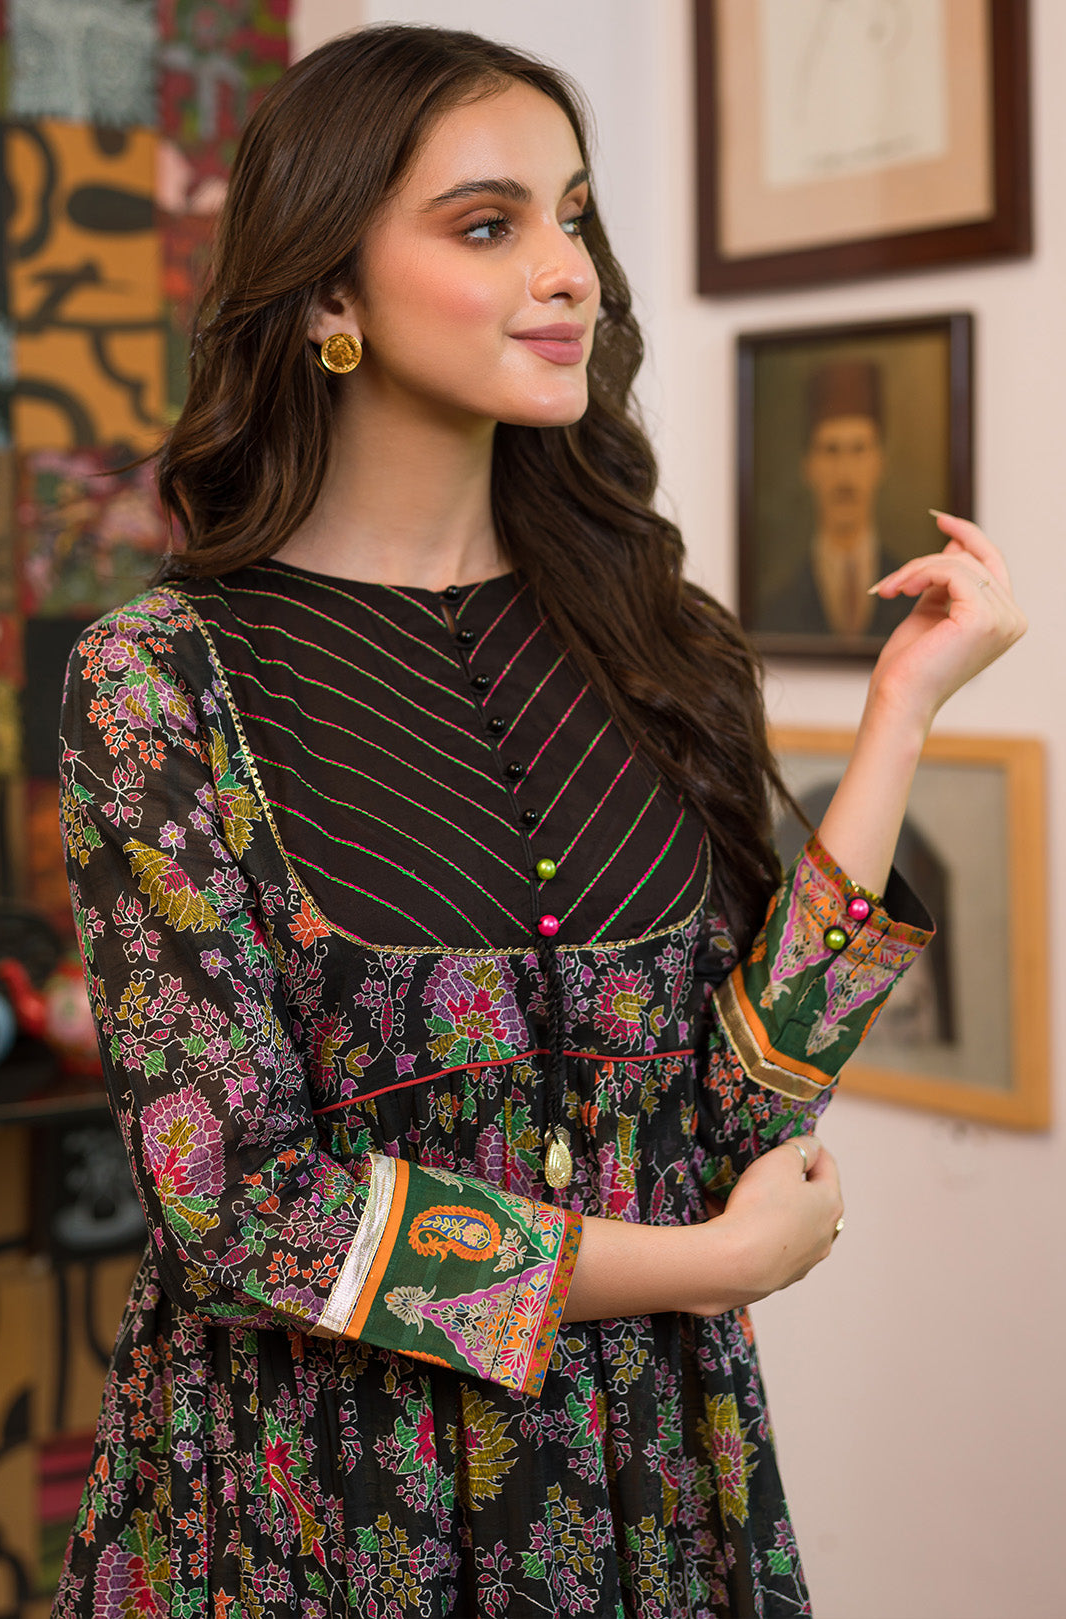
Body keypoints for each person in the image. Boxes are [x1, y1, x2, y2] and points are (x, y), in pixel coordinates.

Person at [51, 24, 1024, 1618]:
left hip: (657, 1470)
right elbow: (238, 1201)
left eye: (573, 215)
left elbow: (735, 1107)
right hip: (321, 1502)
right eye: (489, 224)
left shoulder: (652, 635)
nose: (567, 269)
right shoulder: (159, 678)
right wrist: (707, 1265)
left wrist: (901, 719)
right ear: (331, 294)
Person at [756, 359, 912, 643]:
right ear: (808, 466)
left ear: (880, 462)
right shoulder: (776, 608)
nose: (844, 473)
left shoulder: (915, 599)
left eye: (858, 449)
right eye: (831, 450)